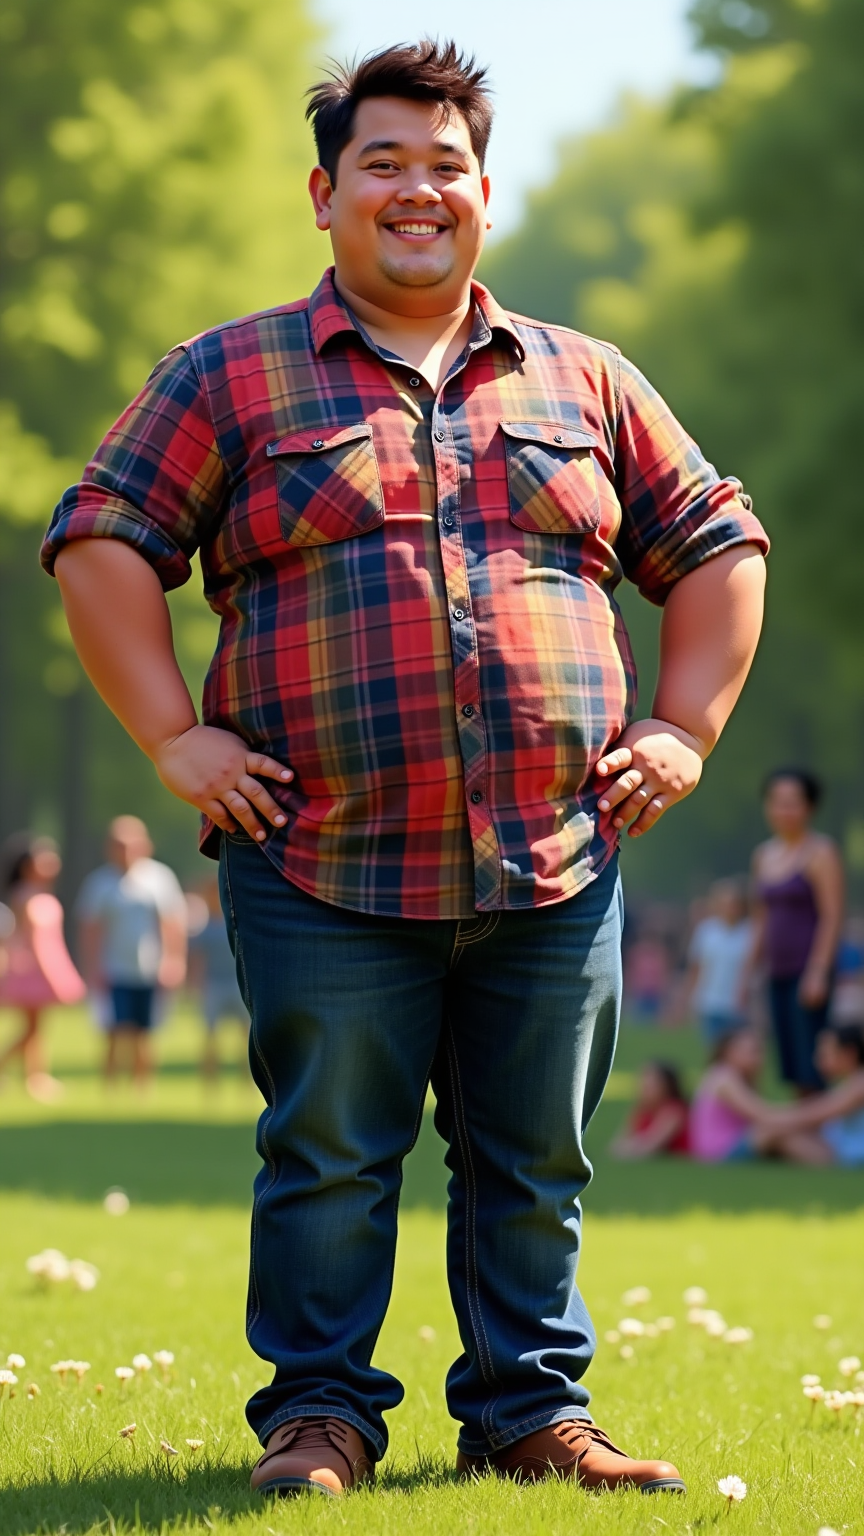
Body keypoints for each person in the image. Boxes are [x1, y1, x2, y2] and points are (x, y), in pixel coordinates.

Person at [42, 41, 768, 1498]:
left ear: (484, 193)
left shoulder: (589, 377)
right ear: (326, 196)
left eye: (444, 164)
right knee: (327, 1154)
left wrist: (683, 728)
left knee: (538, 1164)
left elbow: (718, 543)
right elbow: (107, 537)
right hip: (320, 856)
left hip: (558, 853)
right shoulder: (228, 372)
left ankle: (531, 1416)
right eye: (383, 163)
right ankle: (318, 1420)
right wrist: (174, 736)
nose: (417, 188)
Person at [746, 769, 844, 1094]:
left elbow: (832, 917)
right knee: (787, 1059)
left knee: (813, 1061)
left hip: (809, 972)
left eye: (792, 803)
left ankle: (818, 1133)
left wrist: (818, 972)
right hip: (777, 972)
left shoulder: (821, 853)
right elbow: (761, 918)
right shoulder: (763, 855)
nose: (783, 811)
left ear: (809, 807)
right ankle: (803, 1128)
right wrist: (747, 972)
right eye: (777, 802)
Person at [76, 816, 188, 1086]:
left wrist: (174, 960)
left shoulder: (160, 878)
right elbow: (90, 930)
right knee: (114, 1030)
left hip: (150, 967)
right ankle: (111, 1086)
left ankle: (141, 1087)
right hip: (113, 968)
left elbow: (173, 924)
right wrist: (92, 968)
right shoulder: (100, 883)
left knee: (145, 1031)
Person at [0, 833, 85, 1100]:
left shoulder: (41, 894)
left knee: (37, 1028)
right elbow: (29, 939)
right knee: (32, 1028)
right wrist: (55, 977)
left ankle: (36, 1078)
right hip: (33, 969)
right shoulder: (24, 895)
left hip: (46, 964)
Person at [754, 1023, 864, 1167]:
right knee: (771, 1133)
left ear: (849, 1053)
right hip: (840, 1149)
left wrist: (767, 1118)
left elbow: (811, 1115)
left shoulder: (859, 1084)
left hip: (850, 1157)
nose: (818, 1060)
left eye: (825, 1054)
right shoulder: (847, 1083)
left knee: (774, 1135)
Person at [188, 875, 249, 1083]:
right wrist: (196, 985)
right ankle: (210, 1079)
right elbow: (197, 960)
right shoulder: (204, 929)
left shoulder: (237, 923)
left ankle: (249, 1080)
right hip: (213, 985)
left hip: (237, 984)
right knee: (211, 1036)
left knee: (246, 1035)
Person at [689, 1028, 782, 1161]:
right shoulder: (724, 1077)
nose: (760, 1058)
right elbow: (765, 1116)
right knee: (774, 1131)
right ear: (729, 1052)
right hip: (718, 1152)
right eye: (753, 1051)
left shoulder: (739, 1078)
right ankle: (821, 1161)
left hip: (726, 1148)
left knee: (781, 1132)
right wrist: (815, 1112)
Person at [682, 878, 751, 1043]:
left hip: (739, 1005)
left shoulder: (750, 932)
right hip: (710, 1002)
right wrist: (688, 998)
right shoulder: (706, 931)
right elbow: (696, 967)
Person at [609, 1061, 689, 1159]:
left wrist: (631, 1146)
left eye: (652, 1083)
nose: (644, 1086)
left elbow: (651, 1146)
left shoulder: (673, 1110)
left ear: (666, 1086)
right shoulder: (643, 1110)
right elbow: (619, 1143)